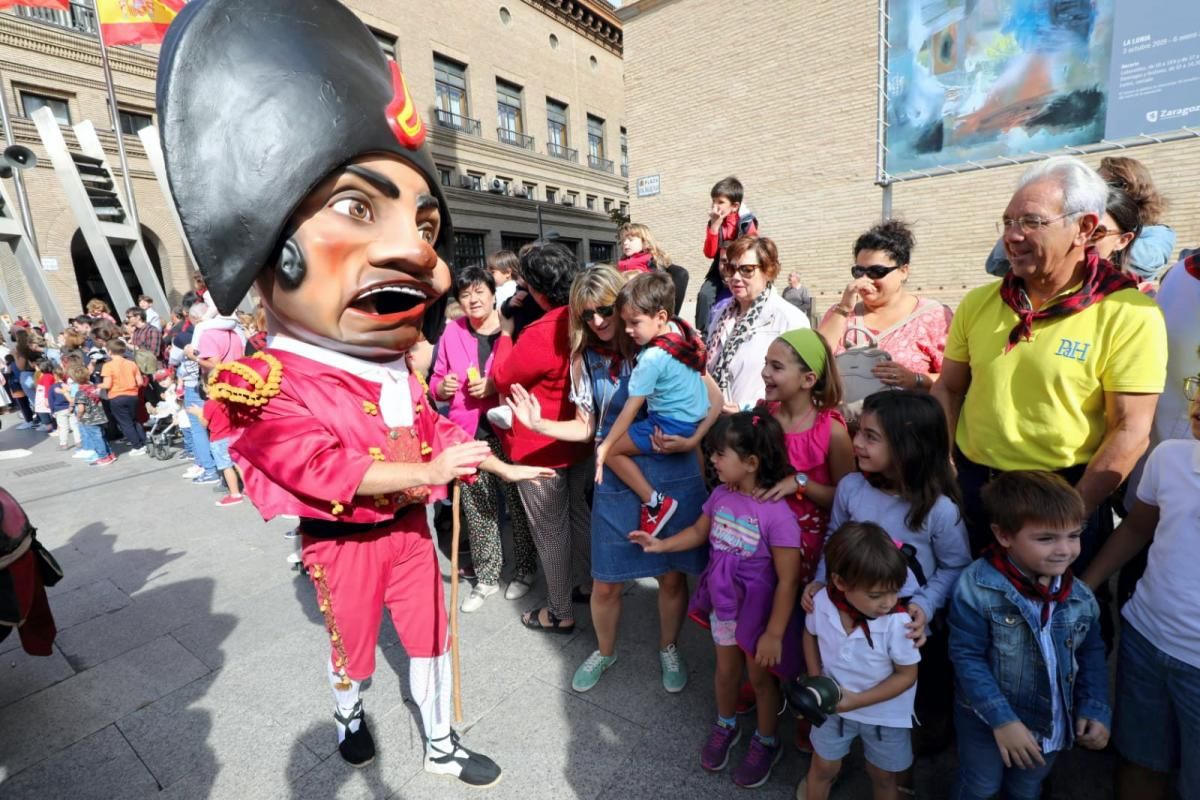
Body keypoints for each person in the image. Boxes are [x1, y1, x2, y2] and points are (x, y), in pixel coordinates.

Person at [156, 0, 549, 783]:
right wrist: (424, 475)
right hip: (343, 542)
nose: (421, 258)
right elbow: (320, 468)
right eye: (354, 207)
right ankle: (348, 711)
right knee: (355, 642)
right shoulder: (265, 380)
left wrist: (486, 460)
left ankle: (440, 741)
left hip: (411, 532)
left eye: (426, 225)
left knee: (433, 632)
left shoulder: (399, 363)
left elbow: (431, 433)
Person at [933, 156, 1167, 572]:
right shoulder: (979, 303)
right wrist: (948, 465)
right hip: (976, 490)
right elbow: (949, 387)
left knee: (1055, 627)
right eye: (1006, 222)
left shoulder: (1129, 314)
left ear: (1084, 228)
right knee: (971, 616)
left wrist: (1070, 515)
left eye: (1031, 222)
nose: (1012, 236)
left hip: (1066, 496)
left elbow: (1131, 430)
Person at [506, 265, 719, 695]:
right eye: (586, 316)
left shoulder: (663, 343)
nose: (598, 322)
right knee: (605, 581)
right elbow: (589, 428)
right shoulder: (584, 359)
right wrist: (541, 424)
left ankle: (668, 647)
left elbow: (712, 396)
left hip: (674, 470)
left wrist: (694, 438)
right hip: (618, 481)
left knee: (672, 575)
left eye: (605, 310)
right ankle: (606, 651)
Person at [632, 409, 802, 788]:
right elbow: (697, 531)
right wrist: (661, 546)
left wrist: (774, 634)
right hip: (725, 606)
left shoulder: (778, 515)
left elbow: (789, 581)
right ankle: (727, 724)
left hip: (759, 615)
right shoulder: (721, 496)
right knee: (725, 670)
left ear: (751, 463)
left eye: (720, 454)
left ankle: (767, 740)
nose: (712, 460)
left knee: (760, 680)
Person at [949, 471, 1110, 800]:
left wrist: (1095, 707)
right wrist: (1003, 721)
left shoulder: (1079, 596)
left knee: (1026, 789)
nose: (1064, 550)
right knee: (981, 787)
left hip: (1050, 721)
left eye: (1073, 535)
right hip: (984, 720)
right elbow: (967, 657)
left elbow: (1091, 651)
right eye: (1046, 538)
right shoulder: (976, 587)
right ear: (1004, 535)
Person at [1080, 382, 1200, 800]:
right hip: (1145, 640)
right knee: (1137, 761)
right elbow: (1135, 528)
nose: (1198, 402)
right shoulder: (1170, 458)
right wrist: (1085, 586)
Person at [491, 241, 591, 634]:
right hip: (578, 438)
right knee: (578, 517)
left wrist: (504, 333)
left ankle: (560, 610)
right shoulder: (583, 316)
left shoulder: (540, 331)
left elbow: (501, 377)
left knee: (551, 531)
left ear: (535, 289)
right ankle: (591, 582)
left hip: (541, 446)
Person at [429, 265, 537, 613]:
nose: (472, 299)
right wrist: (441, 387)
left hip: (506, 429)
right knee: (478, 508)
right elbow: (436, 380)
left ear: (493, 294)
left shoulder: (510, 330)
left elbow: (525, 376)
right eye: (465, 294)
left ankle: (525, 570)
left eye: (479, 292)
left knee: (518, 506)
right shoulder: (452, 332)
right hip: (465, 431)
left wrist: (495, 386)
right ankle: (488, 577)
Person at [801, 522, 921, 800]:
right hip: (832, 709)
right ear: (840, 583)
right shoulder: (822, 602)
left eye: (895, 591)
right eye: (876, 595)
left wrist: (857, 701)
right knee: (822, 768)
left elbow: (907, 675)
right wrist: (815, 677)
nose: (889, 602)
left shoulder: (898, 623)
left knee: (882, 776)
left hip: (884, 716)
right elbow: (809, 633)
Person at [595, 271, 708, 535]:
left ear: (660, 318)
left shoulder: (651, 359)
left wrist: (605, 447)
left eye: (634, 322)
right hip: (691, 423)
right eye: (624, 322)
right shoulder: (680, 337)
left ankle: (655, 502)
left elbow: (630, 408)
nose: (627, 330)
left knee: (611, 453)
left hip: (667, 425)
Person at [759, 329, 853, 585]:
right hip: (760, 537)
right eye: (765, 363)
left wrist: (801, 484)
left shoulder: (831, 432)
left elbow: (847, 499)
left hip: (805, 550)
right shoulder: (764, 416)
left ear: (808, 379)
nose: (765, 372)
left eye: (776, 366)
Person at [818, 220, 952, 392]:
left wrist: (915, 379)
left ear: (903, 271)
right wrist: (844, 308)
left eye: (876, 272)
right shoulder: (842, 313)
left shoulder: (935, 317)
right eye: (859, 272)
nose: (865, 280)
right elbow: (815, 361)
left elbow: (957, 378)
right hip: (845, 418)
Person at [706, 236, 809, 412]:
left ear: (768, 271)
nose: (736, 277)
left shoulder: (789, 319)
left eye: (746, 270)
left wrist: (746, 408)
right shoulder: (720, 314)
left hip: (760, 426)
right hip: (714, 423)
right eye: (731, 269)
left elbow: (798, 385)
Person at [696, 176, 760, 332]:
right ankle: (703, 332)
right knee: (705, 294)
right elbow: (710, 253)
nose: (715, 206)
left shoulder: (745, 222)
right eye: (713, 201)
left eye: (720, 202)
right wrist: (715, 227)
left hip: (740, 268)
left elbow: (754, 247)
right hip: (720, 269)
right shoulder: (714, 223)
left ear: (734, 206)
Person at [99, 340, 146, 455]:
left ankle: (137, 446)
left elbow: (107, 384)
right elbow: (140, 382)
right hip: (133, 395)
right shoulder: (131, 363)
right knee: (135, 420)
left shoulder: (108, 366)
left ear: (109, 351)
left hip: (116, 396)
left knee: (125, 423)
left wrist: (96, 385)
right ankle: (144, 442)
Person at [70, 362, 113, 465]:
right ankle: (110, 454)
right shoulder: (93, 387)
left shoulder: (80, 392)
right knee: (101, 436)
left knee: (96, 438)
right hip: (100, 416)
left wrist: (79, 416)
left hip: (89, 419)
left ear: (75, 380)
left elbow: (81, 408)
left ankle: (103, 457)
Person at [49, 364, 79, 452]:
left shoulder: (52, 388)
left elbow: (51, 401)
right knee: (75, 426)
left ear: (54, 375)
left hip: (59, 409)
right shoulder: (68, 386)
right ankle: (78, 441)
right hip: (70, 408)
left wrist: (52, 411)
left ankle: (64, 444)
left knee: (63, 427)